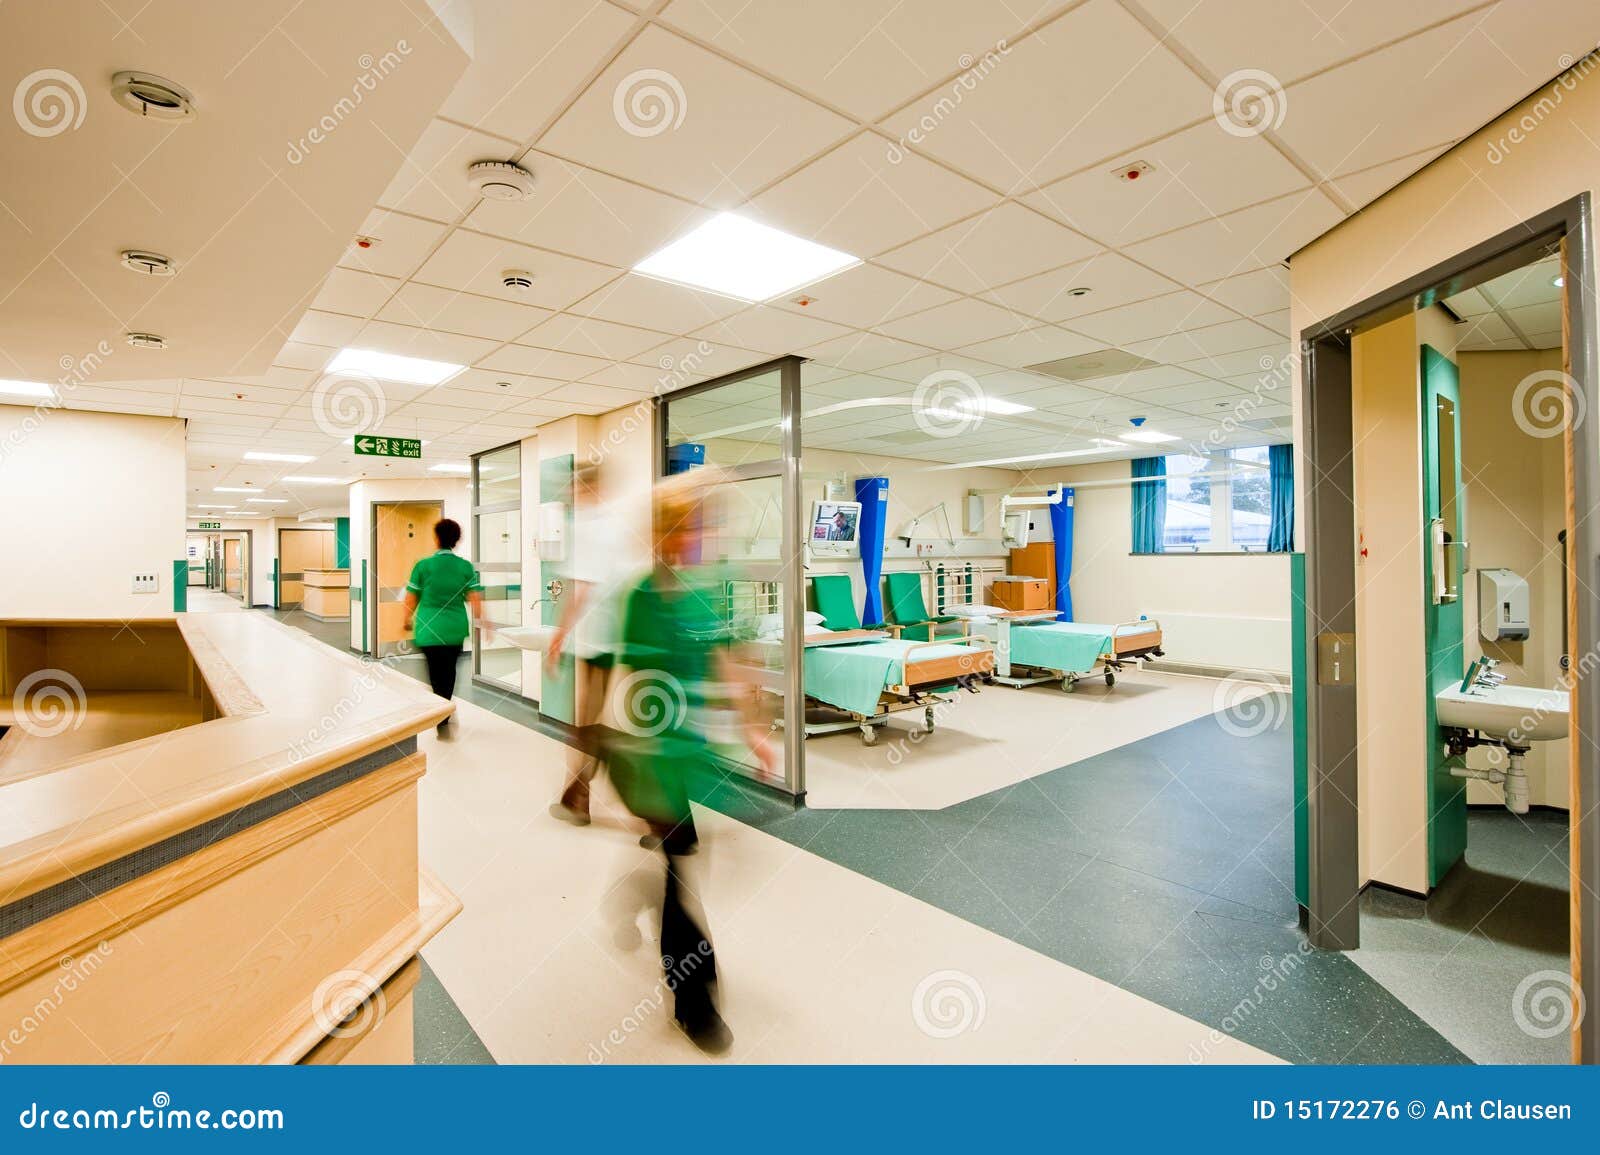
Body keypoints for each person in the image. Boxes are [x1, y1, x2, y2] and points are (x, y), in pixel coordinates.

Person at [606, 469, 777, 1055]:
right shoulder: (640, 598)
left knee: (682, 861)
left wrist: (753, 731)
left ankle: (637, 894)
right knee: (682, 874)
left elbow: (726, 659)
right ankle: (693, 1000)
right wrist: (635, 772)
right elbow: (634, 683)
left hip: (694, 753)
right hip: (655, 755)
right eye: (684, 527)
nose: (695, 537)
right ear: (661, 536)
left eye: (700, 526)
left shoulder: (704, 592)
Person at [548, 466, 639, 827]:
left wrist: (559, 635)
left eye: (573, 484)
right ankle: (576, 794)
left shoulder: (585, 526)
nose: (569, 491)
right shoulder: (614, 523)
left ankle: (581, 795)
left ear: (583, 487)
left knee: (586, 720)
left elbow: (582, 587)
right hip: (614, 634)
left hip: (592, 638)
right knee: (591, 718)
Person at [402, 518, 489, 735]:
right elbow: (475, 598)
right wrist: (483, 622)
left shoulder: (423, 566)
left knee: (435, 673)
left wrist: (406, 620)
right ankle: (445, 708)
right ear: (457, 540)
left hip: (428, 629)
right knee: (449, 672)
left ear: (436, 538)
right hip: (454, 629)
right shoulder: (465, 567)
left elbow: (411, 598)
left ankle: (441, 711)